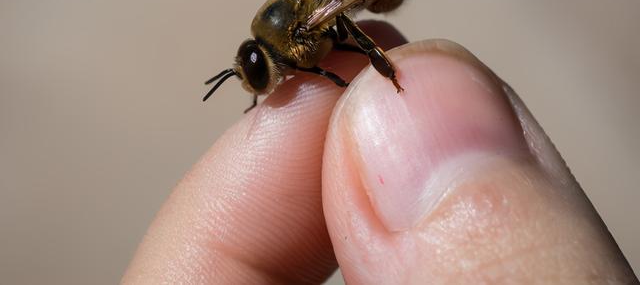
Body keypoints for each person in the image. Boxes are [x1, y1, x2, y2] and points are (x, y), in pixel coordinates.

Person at [123, 22, 637, 284]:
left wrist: (341, 74)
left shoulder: (299, 43)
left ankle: (393, 79)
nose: (263, 84)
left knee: (340, 44)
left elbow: (324, 65)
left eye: (260, 75)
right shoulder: (275, 43)